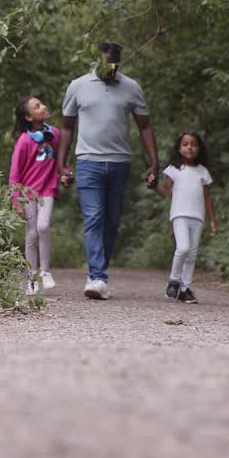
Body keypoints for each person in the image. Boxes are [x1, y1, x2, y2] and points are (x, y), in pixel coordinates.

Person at [56, 41, 158, 300]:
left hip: (119, 162)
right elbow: (66, 127)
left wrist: (153, 162)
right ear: (96, 61)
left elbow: (144, 127)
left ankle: (99, 272)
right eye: (105, 63)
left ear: (119, 62)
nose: (110, 68)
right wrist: (62, 163)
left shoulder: (131, 87)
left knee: (112, 222)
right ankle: (97, 277)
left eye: (114, 64)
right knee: (94, 218)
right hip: (88, 161)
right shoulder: (77, 86)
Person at [156, 131, 219, 304]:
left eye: (193, 144)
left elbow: (207, 197)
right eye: (185, 144)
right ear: (179, 148)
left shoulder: (202, 172)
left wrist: (213, 220)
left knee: (191, 254)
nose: (189, 147)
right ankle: (174, 280)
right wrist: (153, 185)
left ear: (199, 149)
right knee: (183, 248)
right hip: (179, 215)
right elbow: (164, 192)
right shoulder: (173, 169)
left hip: (198, 217)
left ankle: (184, 289)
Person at [8, 96, 60, 295]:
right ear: (29, 117)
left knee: (43, 226)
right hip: (28, 193)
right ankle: (31, 278)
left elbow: (61, 159)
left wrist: (65, 173)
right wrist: (16, 201)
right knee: (31, 234)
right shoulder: (23, 141)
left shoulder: (54, 134)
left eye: (42, 103)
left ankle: (45, 272)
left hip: (47, 190)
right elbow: (14, 175)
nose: (44, 106)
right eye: (37, 106)